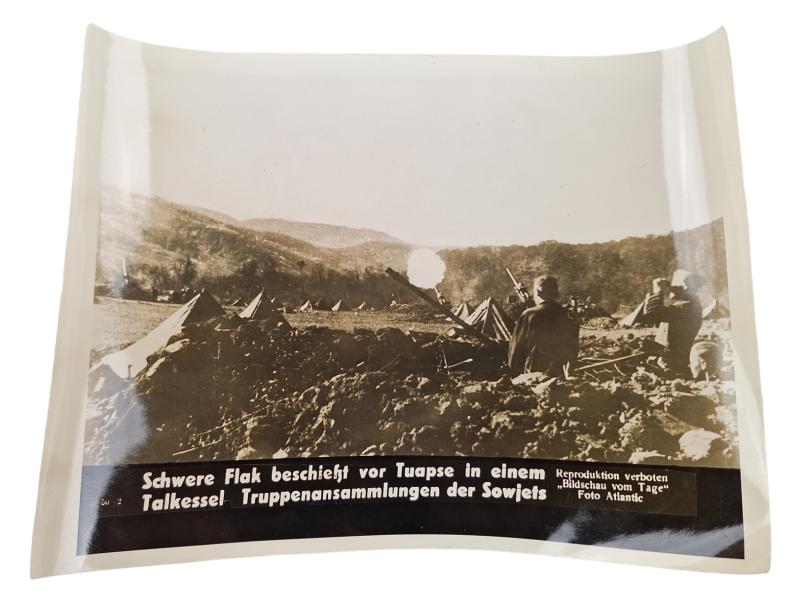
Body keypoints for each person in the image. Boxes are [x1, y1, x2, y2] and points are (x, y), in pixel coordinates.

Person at [508, 276, 579, 376]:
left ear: (538, 291)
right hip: (559, 370)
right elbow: (572, 347)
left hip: (534, 372)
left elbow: (516, 349)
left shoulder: (529, 315)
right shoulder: (564, 314)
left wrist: (513, 374)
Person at [642, 269, 704, 371]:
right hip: (672, 358)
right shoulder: (689, 305)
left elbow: (651, 313)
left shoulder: (687, 306)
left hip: (672, 362)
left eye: (674, 287)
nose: (671, 289)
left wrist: (658, 291)